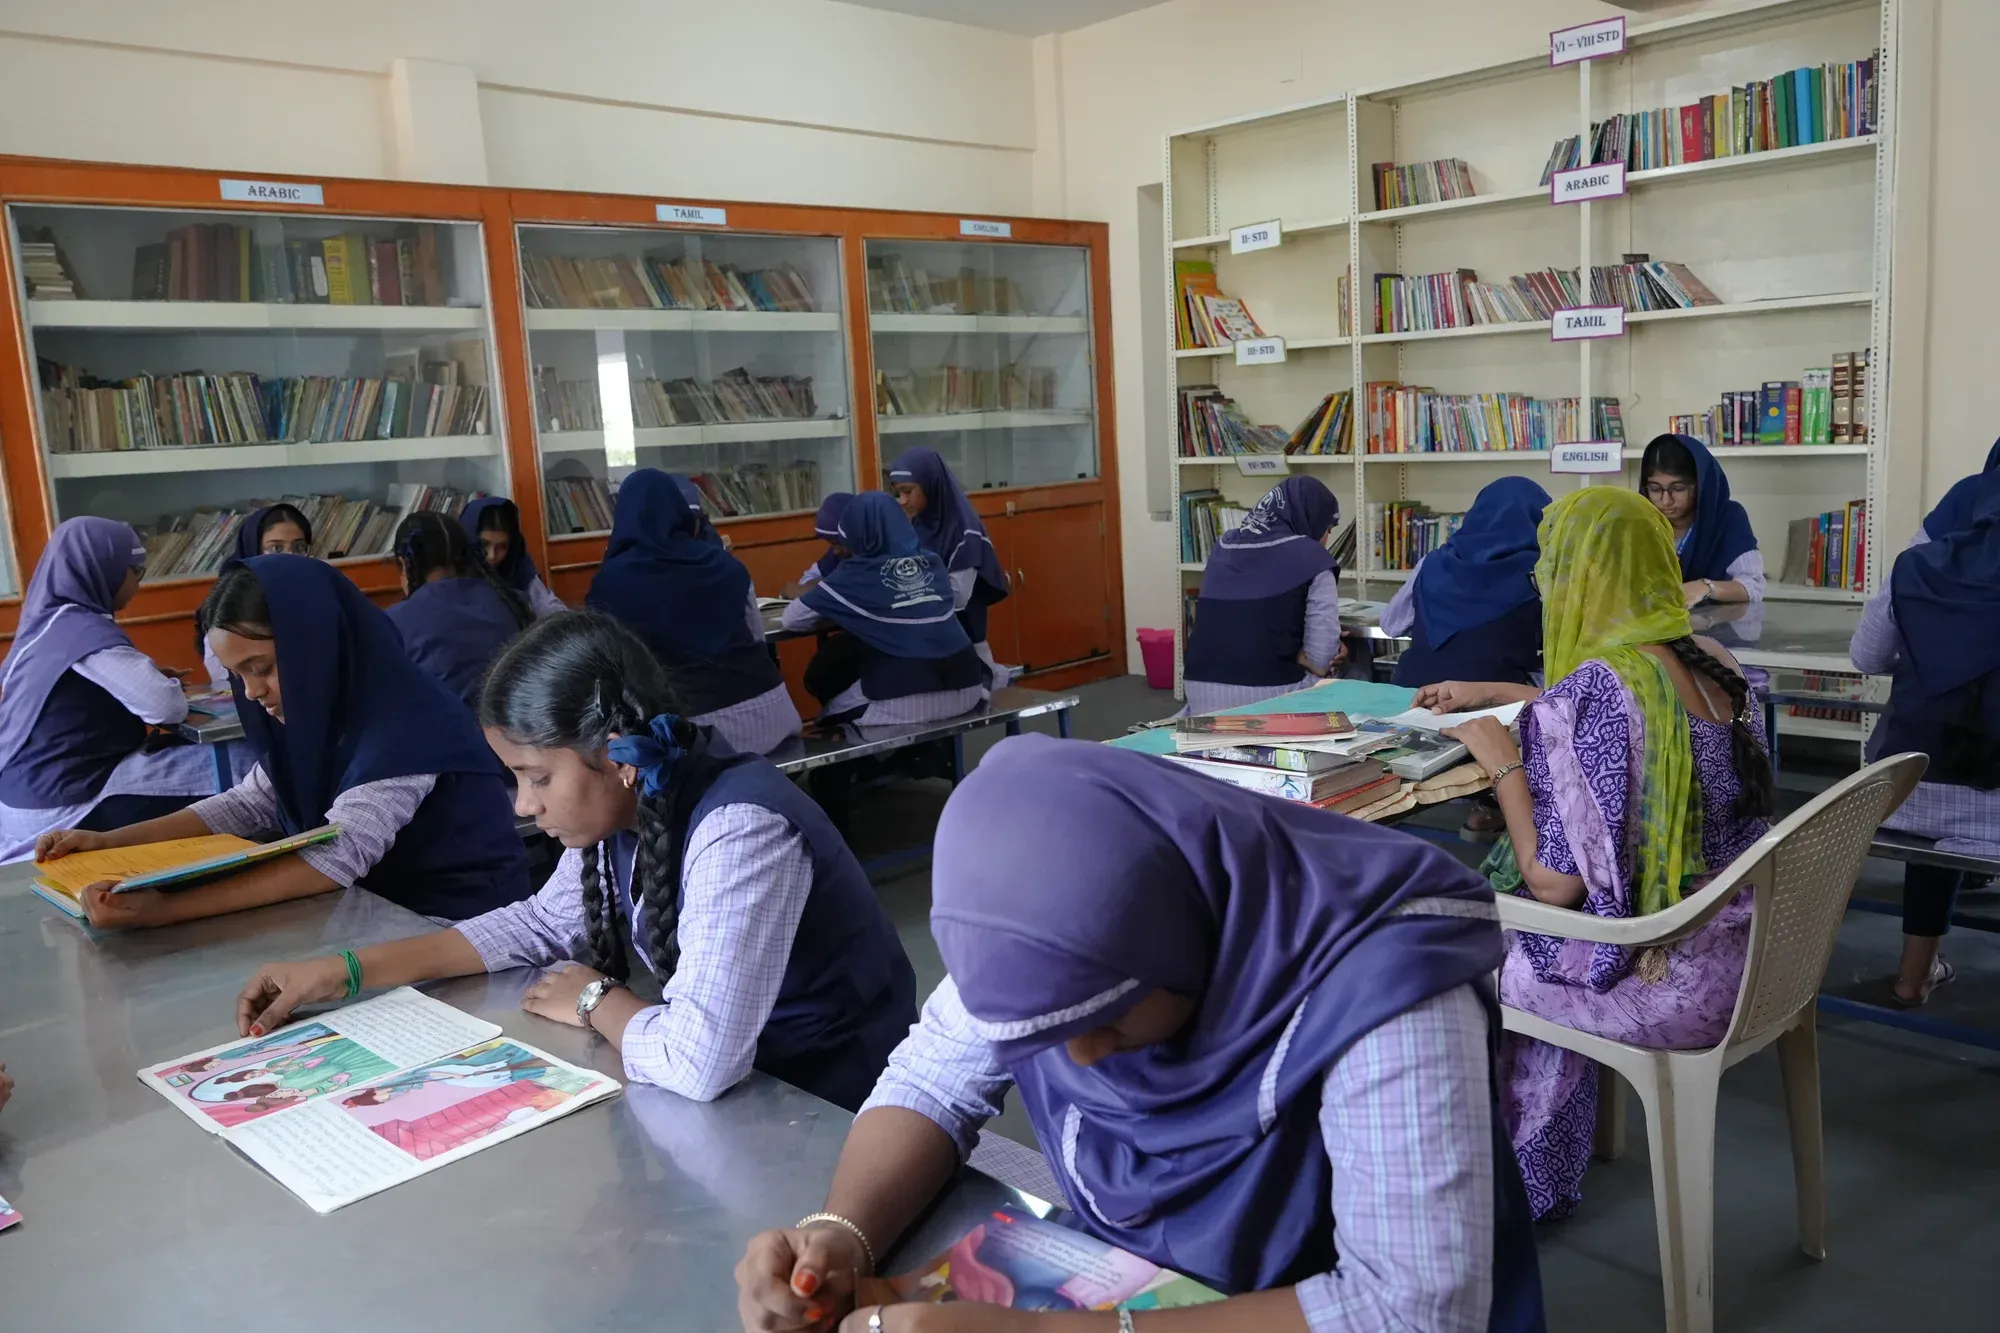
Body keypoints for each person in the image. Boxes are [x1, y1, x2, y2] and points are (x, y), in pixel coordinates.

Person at [732, 735, 1545, 1333]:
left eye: (1106, 1017)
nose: (1081, 1058)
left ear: (1178, 937)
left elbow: (1414, 1309)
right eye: (1043, 1035)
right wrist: (841, 1235)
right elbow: (931, 1081)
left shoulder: (1386, 983)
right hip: (1141, 1285)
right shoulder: (1036, 940)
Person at [232, 611, 918, 1111]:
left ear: (614, 752)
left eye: (536, 777)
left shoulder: (739, 831)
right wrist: (346, 970)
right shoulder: (637, 798)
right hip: (763, 1085)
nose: (521, 807)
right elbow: (536, 924)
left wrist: (597, 1000)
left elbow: (700, 1058)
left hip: (833, 1101)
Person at [1432, 487, 1773, 1223]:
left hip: (1662, 976)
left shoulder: (1595, 692)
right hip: (1751, 950)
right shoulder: (1718, 664)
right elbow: (1620, 711)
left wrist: (1501, 762)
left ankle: (1496, 1184)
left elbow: (1552, 883)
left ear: (1578, 578)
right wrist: (1506, 695)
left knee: (1456, 951)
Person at [35, 556, 533, 929]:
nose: (252, 693)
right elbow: (250, 803)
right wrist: (108, 841)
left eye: (263, 669)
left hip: (459, 925)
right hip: (374, 912)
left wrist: (164, 910)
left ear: (319, 647)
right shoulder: (320, 712)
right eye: (239, 675)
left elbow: (336, 857)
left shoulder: (409, 721)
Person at [1850, 460, 2000, 1005]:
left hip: (1902, 796)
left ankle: (1913, 975)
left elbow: (1866, 655)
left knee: (1931, 743)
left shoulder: (1917, 568)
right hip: (1991, 811)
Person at [0, 518, 214, 862]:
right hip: (61, 803)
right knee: (237, 764)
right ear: (103, 571)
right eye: (135, 572)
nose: (137, 584)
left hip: (18, 795)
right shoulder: (84, 631)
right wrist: (165, 683)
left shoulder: (47, 622)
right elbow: (166, 707)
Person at [587, 469, 801, 757]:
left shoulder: (611, 583)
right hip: (773, 713)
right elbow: (758, 639)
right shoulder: (725, 564)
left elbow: (609, 669)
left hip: (699, 733)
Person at [1385, 477, 1549, 842]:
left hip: (1418, 696)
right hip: (1495, 709)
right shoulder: (1540, 574)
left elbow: (1390, 624)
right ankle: (1497, 807)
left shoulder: (1433, 563)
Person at [780, 493, 987, 726]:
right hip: (969, 683)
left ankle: (895, 762)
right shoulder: (932, 561)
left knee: (828, 719)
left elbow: (792, 620)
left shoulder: (853, 573)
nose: (838, 551)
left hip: (911, 692)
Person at [1181, 475, 1345, 717]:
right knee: (1346, 675)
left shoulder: (1224, 546)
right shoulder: (1313, 557)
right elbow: (1322, 661)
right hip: (1269, 698)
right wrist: (1302, 655)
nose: (1326, 540)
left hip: (1199, 694)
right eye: (1328, 530)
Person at [385, 511, 533, 712]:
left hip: (450, 736)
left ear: (404, 563)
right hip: (519, 730)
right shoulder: (511, 600)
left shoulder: (394, 621)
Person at [887, 448, 1010, 680]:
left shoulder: (964, 532)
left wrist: (904, 596)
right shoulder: (918, 524)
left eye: (907, 491)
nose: (902, 501)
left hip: (965, 644)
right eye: (897, 493)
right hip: (928, 641)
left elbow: (957, 597)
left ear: (931, 485)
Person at [1638, 433, 1763, 609]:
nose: (1666, 501)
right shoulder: (1640, 520)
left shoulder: (1727, 518)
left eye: (1678, 488)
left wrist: (1706, 587)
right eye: (1655, 489)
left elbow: (1753, 587)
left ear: (1701, 484)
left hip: (1717, 628)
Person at [462, 496, 566, 620]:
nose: (492, 555)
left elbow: (546, 605)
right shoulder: (454, 569)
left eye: (502, 547)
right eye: (484, 544)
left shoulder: (517, 563)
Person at [780, 492, 854, 600]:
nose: (835, 551)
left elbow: (853, 587)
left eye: (838, 544)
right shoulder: (837, 554)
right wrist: (806, 588)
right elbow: (809, 578)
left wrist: (815, 589)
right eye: (832, 544)